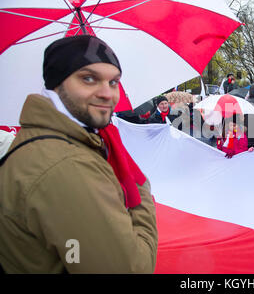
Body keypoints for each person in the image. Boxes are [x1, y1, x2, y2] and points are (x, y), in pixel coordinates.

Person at [0, 35, 158, 273]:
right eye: (88, 78)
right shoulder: (66, 165)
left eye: (113, 82)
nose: (107, 94)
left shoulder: (51, 140)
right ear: (57, 82)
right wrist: (141, 194)